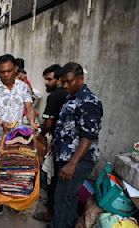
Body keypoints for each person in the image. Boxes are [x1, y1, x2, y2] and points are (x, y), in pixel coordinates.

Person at [0, 54, 36, 221]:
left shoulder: (23, 87)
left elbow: (29, 107)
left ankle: (13, 202)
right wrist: (1, 122)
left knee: (14, 173)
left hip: (17, 140)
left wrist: (33, 122)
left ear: (15, 70)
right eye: (2, 72)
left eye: (9, 71)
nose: (6, 74)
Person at [51, 62, 103, 228]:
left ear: (81, 79)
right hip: (67, 157)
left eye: (69, 81)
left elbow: (88, 136)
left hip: (78, 159)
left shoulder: (88, 102)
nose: (65, 85)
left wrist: (73, 163)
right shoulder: (72, 96)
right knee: (68, 196)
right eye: (63, 82)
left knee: (64, 197)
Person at [33, 64, 68, 222]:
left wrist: (40, 135)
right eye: (45, 79)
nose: (46, 83)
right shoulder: (69, 93)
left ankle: (51, 212)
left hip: (59, 143)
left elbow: (48, 123)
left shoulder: (55, 96)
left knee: (53, 178)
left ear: (59, 79)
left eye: (49, 79)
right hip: (66, 143)